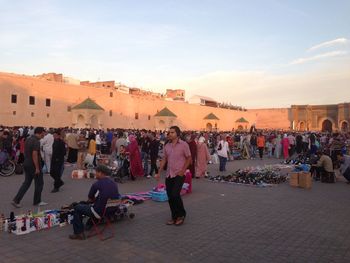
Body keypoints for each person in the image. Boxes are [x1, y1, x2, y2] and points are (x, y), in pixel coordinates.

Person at [69, 165, 120, 240]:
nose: (95, 174)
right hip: (112, 210)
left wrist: (91, 201)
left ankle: (78, 233)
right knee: (88, 206)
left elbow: (90, 198)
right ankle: (87, 225)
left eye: (96, 172)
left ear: (101, 173)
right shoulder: (113, 183)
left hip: (100, 212)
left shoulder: (97, 184)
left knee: (77, 208)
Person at [155, 126, 191, 226]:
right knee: (170, 197)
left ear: (177, 134)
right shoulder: (167, 146)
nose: (169, 134)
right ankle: (174, 216)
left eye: (172, 132)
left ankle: (181, 215)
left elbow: (189, 158)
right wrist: (159, 172)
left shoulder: (183, 145)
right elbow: (164, 159)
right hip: (169, 174)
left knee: (175, 194)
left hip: (179, 174)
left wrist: (183, 170)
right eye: (169, 132)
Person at [12, 127, 47, 208]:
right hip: (33, 165)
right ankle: (37, 201)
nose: (44, 135)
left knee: (27, 183)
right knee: (39, 183)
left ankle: (16, 200)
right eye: (43, 133)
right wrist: (37, 168)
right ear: (40, 132)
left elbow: (24, 151)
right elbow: (34, 154)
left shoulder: (28, 139)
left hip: (26, 163)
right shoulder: (36, 141)